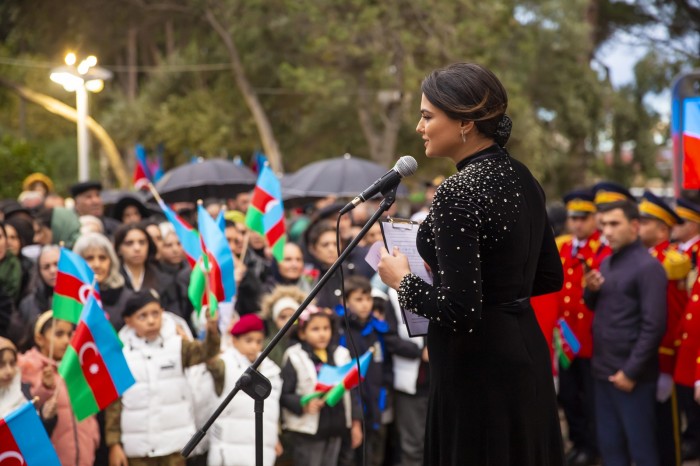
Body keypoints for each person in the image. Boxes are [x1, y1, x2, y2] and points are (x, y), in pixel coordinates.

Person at [377, 62, 564, 465]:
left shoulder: (458, 192)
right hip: (524, 352)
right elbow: (549, 275)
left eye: (427, 116)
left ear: (465, 122)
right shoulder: (522, 176)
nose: (418, 127)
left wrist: (402, 281)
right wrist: (484, 286)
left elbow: (461, 312)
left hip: (478, 369)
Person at [583, 200, 667, 466]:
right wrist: (591, 291)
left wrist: (630, 372)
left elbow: (654, 325)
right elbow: (599, 308)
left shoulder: (648, 267)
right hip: (603, 372)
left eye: (614, 224)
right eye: (604, 224)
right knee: (611, 449)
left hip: (632, 378)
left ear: (634, 226)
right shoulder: (607, 263)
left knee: (641, 451)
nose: (607, 231)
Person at [105, 289, 220, 466]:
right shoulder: (121, 356)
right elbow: (114, 404)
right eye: (142, 316)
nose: (151, 321)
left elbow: (207, 351)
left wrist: (212, 331)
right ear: (129, 321)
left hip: (174, 445)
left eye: (155, 314)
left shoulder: (177, 345)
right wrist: (114, 444)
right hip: (138, 449)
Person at [557, 188, 611, 466]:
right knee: (568, 394)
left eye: (583, 217)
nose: (577, 223)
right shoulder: (564, 247)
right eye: (573, 218)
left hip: (590, 337)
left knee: (591, 397)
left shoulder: (602, 249)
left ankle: (593, 447)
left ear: (594, 219)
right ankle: (578, 442)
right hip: (565, 336)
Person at [638, 191, 689, 465]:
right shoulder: (641, 258)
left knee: (666, 432)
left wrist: (667, 368)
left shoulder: (670, 262)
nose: (638, 226)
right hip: (641, 358)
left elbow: (671, 317)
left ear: (662, 229)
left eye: (645, 222)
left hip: (661, 358)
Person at [280, 306, 362, 466]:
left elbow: (351, 392)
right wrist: (303, 404)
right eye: (315, 329)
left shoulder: (341, 353)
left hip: (336, 426)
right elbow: (284, 394)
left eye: (326, 328)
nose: (322, 333)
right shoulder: (295, 356)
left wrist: (355, 423)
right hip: (308, 431)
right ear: (302, 332)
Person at [18, 311, 100, 466]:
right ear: (39, 338)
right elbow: (30, 413)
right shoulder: (27, 370)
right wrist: (45, 388)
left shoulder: (77, 368)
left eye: (70, 334)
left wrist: (93, 438)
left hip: (84, 456)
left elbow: (89, 412)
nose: (66, 341)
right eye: (59, 334)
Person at [207, 314, 282, 466]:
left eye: (259, 341)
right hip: (230, 447)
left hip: (261, 446)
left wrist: (274, 437)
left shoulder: (270, 369)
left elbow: (272, 409)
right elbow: (208, 361)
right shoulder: (224, 364)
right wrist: (212, 331)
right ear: (234, 340)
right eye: (248, 340)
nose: (254, 346)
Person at [337, 275, 392, 466]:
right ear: (344, 302)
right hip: (354, 404)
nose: (365, 304)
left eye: (368, 298)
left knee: (375, 455)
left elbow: (384, 364)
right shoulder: (340, 330)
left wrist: (385, 390)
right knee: (352, 456)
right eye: (358, 299)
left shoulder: (377, 328)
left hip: (378, 400)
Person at [672, 197, 700, 460]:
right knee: (684, 397)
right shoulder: (677, 251)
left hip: (695, 340)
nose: (673, 226)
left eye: (678, 221)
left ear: (693, 225)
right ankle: (691, 436)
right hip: (684, 336)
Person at [73, 232, 133, 330]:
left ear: (111, 261)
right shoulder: (69, 297)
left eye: (102, 258)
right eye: (89, 258)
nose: (97, 264)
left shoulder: (127, 298)